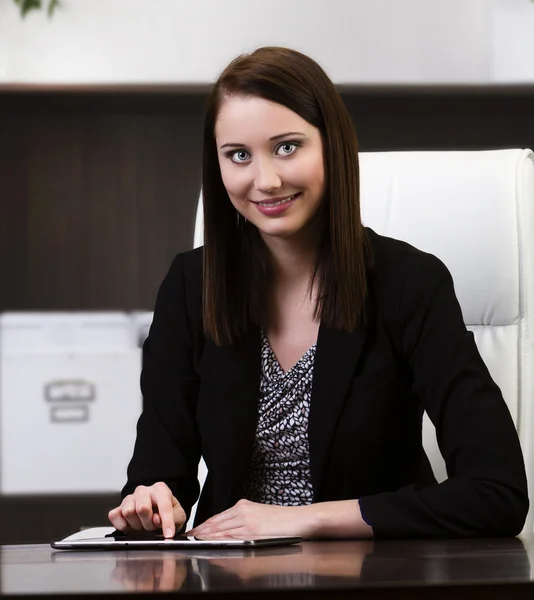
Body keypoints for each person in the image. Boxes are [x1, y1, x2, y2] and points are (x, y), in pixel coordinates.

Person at [108, 47, 529, 540]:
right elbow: (161, 475)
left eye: (287, 147)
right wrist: (152, 502)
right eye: (239, 155)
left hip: (373, 578)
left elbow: (497, 493)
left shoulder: (410, 283)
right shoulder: (189, 287)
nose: (265, 180)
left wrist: (306, 519)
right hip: (227, 577)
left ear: (332, 145)